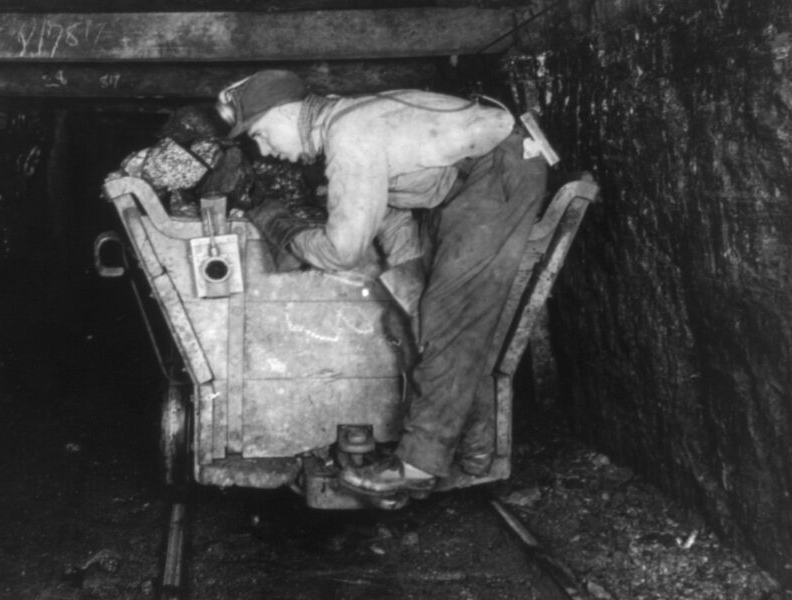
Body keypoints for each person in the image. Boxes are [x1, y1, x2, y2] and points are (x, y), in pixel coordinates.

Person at [216, 70, 548, 499]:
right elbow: (389, 208)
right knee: (429, 316)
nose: (264, 150)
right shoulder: (339, 122)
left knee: (452, 315)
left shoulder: (349, 135)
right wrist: (409, 284)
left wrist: (280, 227)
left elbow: (343, 252)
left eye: (260, 134)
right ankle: (475, 446)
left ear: (284, 113)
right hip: (459, 184)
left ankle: (416, 467)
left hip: (499, 171)